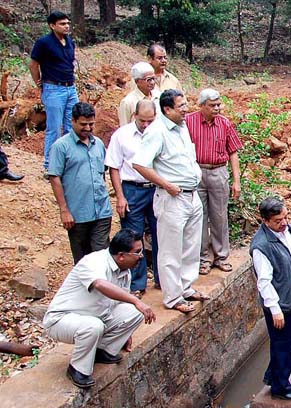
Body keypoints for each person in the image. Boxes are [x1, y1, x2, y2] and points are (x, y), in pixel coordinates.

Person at [43, 229, 157, 389]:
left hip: (96, 316)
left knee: (134, 312)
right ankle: (77, 369)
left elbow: (120, 300)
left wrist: (125, 332)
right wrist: (135, 300)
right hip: (61, 320)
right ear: (121, 255)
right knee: (93, 326)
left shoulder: (124, 270)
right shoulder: (94, 262)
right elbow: (100, 284)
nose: (141, 257)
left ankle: (103, 350)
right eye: (137, 252)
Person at [133, 89, 209, 314]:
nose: (186, 110)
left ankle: (186, 287)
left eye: (186, 105)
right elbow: (140, 164)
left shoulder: (182, 127)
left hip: (191, 194)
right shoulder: (157, 132)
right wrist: (166, 185)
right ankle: (172, 296)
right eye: (181, 106)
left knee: (191, 245)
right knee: (170, 249)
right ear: (167, 109)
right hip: (172, 197)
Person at [251, 196, 291, 401]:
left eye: (285, 218)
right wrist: (275, 309)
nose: (284, 223)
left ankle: (274, 376)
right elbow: (264, 281)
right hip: (281, 303)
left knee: (289, 342)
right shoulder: (262, 246)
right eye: (278, 221)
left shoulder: (286, 230)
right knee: (283, 344)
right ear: (265, 221)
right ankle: (281, 387)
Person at [185, 88, 243, 275]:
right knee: (199, 217)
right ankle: (203, 258)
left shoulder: (224, 123)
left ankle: (221, 256)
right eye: (212, 105)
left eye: (218, 104)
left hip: (218, 171)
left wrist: (236, 181)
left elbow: (233, 152)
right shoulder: (188, 122)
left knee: (219, 216)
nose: (217, 108)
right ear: (201, 106)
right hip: (196, 171)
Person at [48, 102, 113, 264]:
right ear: (73, 121)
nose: (88, 128)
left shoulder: (98, 144)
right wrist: (64, 210)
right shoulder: (61, 147)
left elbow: (102, 173)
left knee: (102, 256)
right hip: (78, 214)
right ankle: (85, 289)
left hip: (102, 211)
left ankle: (103, 289)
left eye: (91, 124)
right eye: (83, 124)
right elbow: (54, 177)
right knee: (83, 261)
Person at [106, 100, 159, 296]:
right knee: (133, 239)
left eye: (150, 120)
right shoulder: (122, 135)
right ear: (134, 115)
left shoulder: (159, 133)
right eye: (142, 120)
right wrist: (120, 196)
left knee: (161, 234)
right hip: (132, 189)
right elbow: (114, 167)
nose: (146, 125)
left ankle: (164, 280)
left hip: (156, 189)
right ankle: (137, 284)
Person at [30, 11, 79, 172]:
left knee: (71, 126)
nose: (66, 26)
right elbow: (33, 64)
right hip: (53, 88)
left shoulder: (69, 41)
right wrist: (39, 84)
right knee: (54, 127)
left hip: (70, 87)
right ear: (52, 26)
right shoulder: (44, 43)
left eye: (67, 23)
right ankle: (50, 165)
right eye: (62, 24)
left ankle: (68, 162)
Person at [118, 62, 159, 126]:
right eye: (149, 80)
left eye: (153, 78)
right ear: (137, 81)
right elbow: (124, 127)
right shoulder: (128, 102)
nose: (152, 82)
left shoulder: (158, 96)